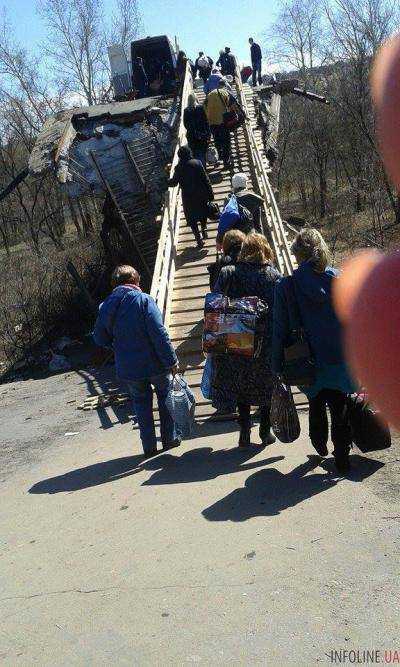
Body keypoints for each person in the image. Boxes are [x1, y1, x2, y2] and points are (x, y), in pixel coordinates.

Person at [272, 228, 355, 473]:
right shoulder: (339, 279)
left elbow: (279, 328)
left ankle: (319, 444)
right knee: (339, 405)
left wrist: (276, 365)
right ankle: (342, 458)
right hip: (339, 354)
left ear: (296, 255)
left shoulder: (286, 286)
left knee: (316, 401)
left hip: (305, 357)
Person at [93, 265, 180, 458]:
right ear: (135, 281)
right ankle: (170, 438)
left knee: (141, 404)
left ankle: (149, 447)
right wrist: (171, 360)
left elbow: (99, 337)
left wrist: (117, 346)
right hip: (154, 362)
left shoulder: (106, 306)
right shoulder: (143, 300)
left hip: (129, 367)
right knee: (165, 399)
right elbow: (159, 333)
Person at [212, 233, 282, 447]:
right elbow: (281, 307)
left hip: (236, 337)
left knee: (240, 384)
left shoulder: (228, 273)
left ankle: (244, 430)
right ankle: (264, 430)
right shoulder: (273, 276)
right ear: (265, 250)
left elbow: (214, 304)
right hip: (266, 341)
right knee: (266, 385)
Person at [168, 145, 213, 248]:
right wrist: (210, 193)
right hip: (201, 194)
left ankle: (198, 240)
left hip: (188, 197)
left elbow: (174, 183)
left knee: (192, 219)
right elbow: (206, 179)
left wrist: (167, 181)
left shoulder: (179, 168)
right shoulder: (197, 163)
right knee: (203, 212)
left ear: (180, 156)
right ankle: (204, 227)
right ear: (189, 153)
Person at [204, 80, 235, 168]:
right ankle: (226, 161)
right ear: (224, 86)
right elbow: (232, 106)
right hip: (222, 121)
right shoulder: (225, 93)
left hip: (211, 122)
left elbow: (204, 106)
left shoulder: (210, 94)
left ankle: (218, 158)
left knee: (217, 140)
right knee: (226, 142)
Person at [183, 93, 211, 166]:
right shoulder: (201, 108)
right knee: (203, 152)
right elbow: (206, 122)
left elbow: (185, 124)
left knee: (195, 153)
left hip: (191, 136)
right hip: (202, 134)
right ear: (196, 99)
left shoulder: (186, 110)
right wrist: (208, 134)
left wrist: (191, 130)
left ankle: (199, 169)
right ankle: (203, 168)